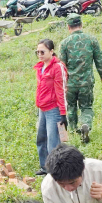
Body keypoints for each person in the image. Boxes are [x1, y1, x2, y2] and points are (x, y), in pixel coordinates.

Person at [59, 14, 102, 143]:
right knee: (86, 107)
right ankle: (85, 125)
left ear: (68, 27)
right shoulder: (91, 40)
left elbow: (61, 65)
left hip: (70, 84)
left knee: (71, 108)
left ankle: (74, 131)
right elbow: (99, 59)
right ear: (81, 25)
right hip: (86, 83)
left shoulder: (64, 43)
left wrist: (61, 83)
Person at [34, 39, 68, 176]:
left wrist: (63, 113)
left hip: (53, 109)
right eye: (37, 52)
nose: (40, 55)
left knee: (53, 142)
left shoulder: (57, 67)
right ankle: (45, 168)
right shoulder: (40, 67)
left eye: (43, 52)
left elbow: (61, 90)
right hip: (42, 108)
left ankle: (55, 171)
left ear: (51, 51)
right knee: (41, 138)